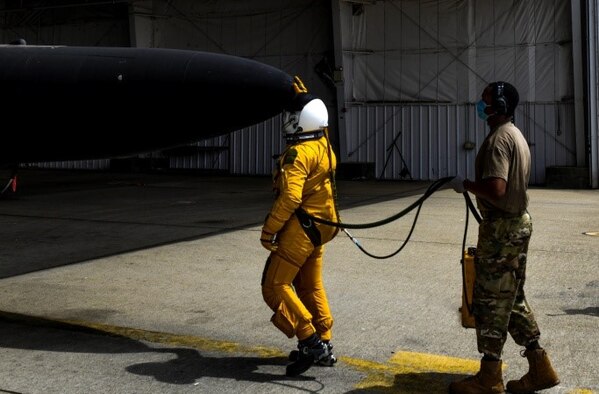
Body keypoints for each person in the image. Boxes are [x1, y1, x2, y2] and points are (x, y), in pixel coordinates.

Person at [447, 81, 560, 393]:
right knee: (512, 300)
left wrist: (466, 184)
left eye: (485, 101)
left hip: (501, 231)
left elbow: (497, 189)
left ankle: (489, 377)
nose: (481, 106)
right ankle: (540, 367)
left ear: (499, 105)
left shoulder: (499, 140)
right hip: (514, 226)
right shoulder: (515, 134)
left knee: (490, 301)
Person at [259, 83, 340, 377]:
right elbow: (321, 120)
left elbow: (291, 197)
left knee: (275, 286)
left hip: (301, 230)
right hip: (323, 227)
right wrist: (303, 92)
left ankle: (310, 341)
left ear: (301, 120)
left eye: (293, 115)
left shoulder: (298, 154)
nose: (287, 121)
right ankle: (325, 341)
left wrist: (269, 230)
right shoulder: (324, 144)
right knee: (310, 286)